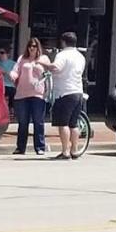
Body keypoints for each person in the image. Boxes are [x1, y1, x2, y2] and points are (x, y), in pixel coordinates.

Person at [46, 31, 86, 160]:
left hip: (64, 92)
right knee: (73, 124)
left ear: (63, 42)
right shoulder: (80, 56)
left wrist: (42, 63)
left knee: (63, 123)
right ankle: (74, 150)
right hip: (78, 91)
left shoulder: (62, 55)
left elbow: (55, 68)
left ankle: (65, 151)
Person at [10, 37, 51, 156]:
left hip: (38, 94)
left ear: (38, 47)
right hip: (22, 94)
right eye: (30, 46)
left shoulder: (43, 58)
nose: (31, 48)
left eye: (34, 46)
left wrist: (39, 63)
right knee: (23, 122)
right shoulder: (22, 59)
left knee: (38, 121)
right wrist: (13, 75)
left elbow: (49, 71)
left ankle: (40, 147)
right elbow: (16, 70)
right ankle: (20, 147)